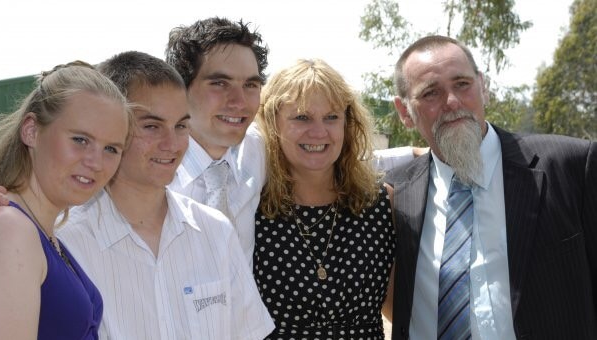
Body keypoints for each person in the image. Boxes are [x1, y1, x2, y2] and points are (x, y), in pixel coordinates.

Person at [386, 35, 597, 339]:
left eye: (462, 84)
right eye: (431, 93)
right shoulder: (396, 197)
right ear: (405, 112)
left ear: (482, 87)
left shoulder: (570, 167)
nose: (453, 102)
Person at [165, 17, 419, 268]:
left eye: (250, 84)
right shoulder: (147, 177)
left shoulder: (254, 151)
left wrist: (424, 155)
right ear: (179, 87)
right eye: (219, 83)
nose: (238, 100)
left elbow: (339, 158)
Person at [56, 51, 274, 339]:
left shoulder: (216, 231)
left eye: (181, 126)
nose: (172, 144)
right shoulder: (64, 244)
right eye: (151, 126)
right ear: (108, 128)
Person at [254, 58, 396, 339]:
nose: (319, 132)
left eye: (331, 117)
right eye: (302, 117)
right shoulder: (249, 206)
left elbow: (400, 311)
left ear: (347, 123)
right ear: (273, 123)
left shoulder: (381, 203)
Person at [0, 61, 131, 339]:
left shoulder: (44, 234)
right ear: (31, 131)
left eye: (111, 149)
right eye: (80, 139)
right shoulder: (11, 228)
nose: (96, 162)